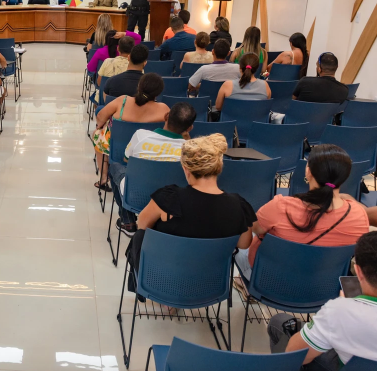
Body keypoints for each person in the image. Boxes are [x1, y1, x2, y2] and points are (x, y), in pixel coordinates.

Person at [127, 134, 256, 294]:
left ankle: (150, 294)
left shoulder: (168, 198)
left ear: (185, 169)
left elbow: (142, 224)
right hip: (209, 285)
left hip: (162, 281)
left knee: (139, 236)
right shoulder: (239, 206)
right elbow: (244, 244)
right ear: (218, 167)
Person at [234, 144, 370, 282]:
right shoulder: (359, 216)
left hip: (271, 282)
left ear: (308, 172)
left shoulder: (280, 206)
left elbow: (255, 228)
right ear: (345, 177)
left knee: (244, 244)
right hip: (323, 286)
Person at [285, 231, 377, 367]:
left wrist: (345, 306)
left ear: (358, 271)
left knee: (279, 323)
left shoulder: (339, 311)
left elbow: (294, 356)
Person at [110, 102, 197, 235]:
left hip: (135, 197)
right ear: (190, 128)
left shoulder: (141, 135)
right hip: (170, 204)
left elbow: (126, 160)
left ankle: (128, 222)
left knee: (115, 167)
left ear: (166, 116)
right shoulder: (190, 151)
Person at [92, 73, 169, 191]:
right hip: (148, 151)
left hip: (117, 150)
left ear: (139, 86)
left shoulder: (122, 101)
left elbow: (100, 117)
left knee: (97, 135)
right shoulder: (164, 109)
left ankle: (103, 178)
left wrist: (100, 126)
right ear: (159, 92)